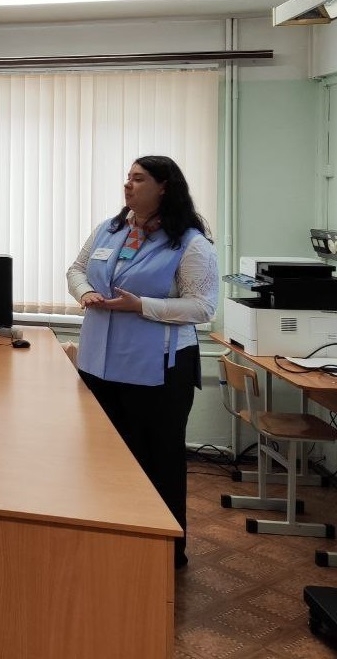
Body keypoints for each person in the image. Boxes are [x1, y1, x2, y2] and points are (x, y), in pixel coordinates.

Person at [66, 155, 217, 570]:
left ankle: (165, 553)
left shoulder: (190, 243)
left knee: (156, 461)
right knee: (106, 457)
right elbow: (76, 269)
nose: (128, 185)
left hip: (158, 370)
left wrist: (142, 306)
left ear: (164, 187)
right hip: (99, 364)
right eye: (127, 178)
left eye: (138, 179)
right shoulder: (110, 229)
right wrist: (84, 292)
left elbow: (203, 307)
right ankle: (111, 539)